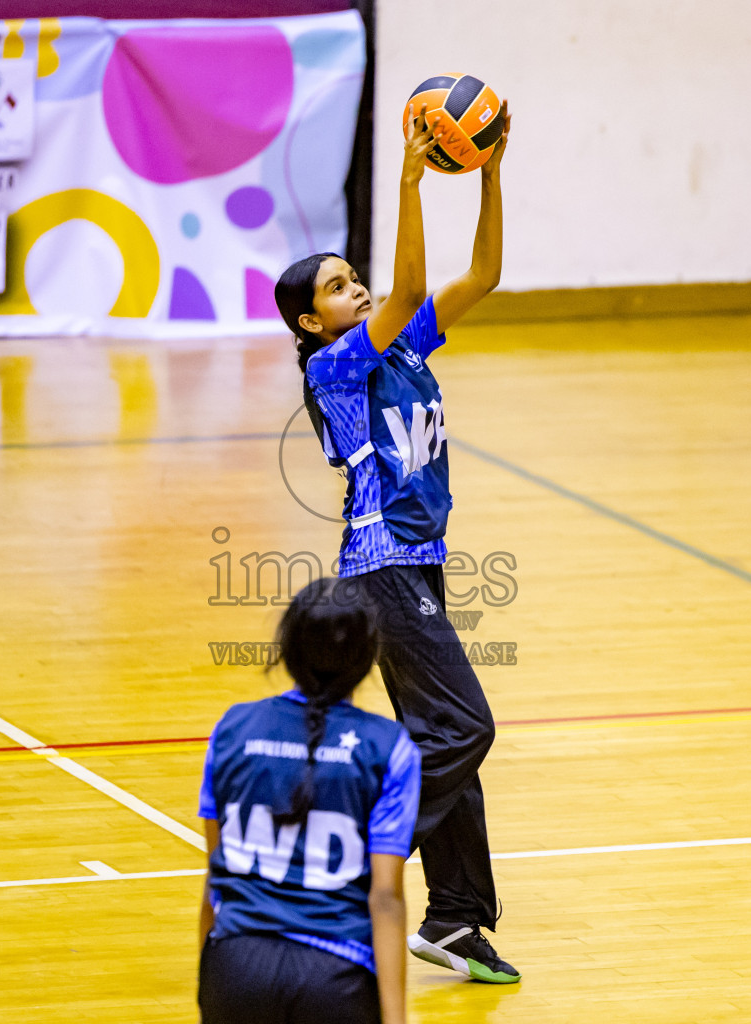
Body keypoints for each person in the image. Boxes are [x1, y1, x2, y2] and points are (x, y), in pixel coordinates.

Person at [272, 102, 517, 984]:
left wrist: (488, 167)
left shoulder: (402, 349)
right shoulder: (332, 365)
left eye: (352, 277)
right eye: (338, 287)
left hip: (418, 564)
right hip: (379, 569)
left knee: (437, 731)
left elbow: (483, 272)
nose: (358, 289)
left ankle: (454, 919)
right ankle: (351, 869)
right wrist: (411, 180)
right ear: (311, 322)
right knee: (466, 727)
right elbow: (410, 290)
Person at [197, 577, 421, 1024]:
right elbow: (384, 898)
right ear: (366, 657)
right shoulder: (389, 747)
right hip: (335, 976)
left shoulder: (232, 729)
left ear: (289, 649)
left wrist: (208, 983)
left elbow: (215, 876)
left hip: (236, 967)